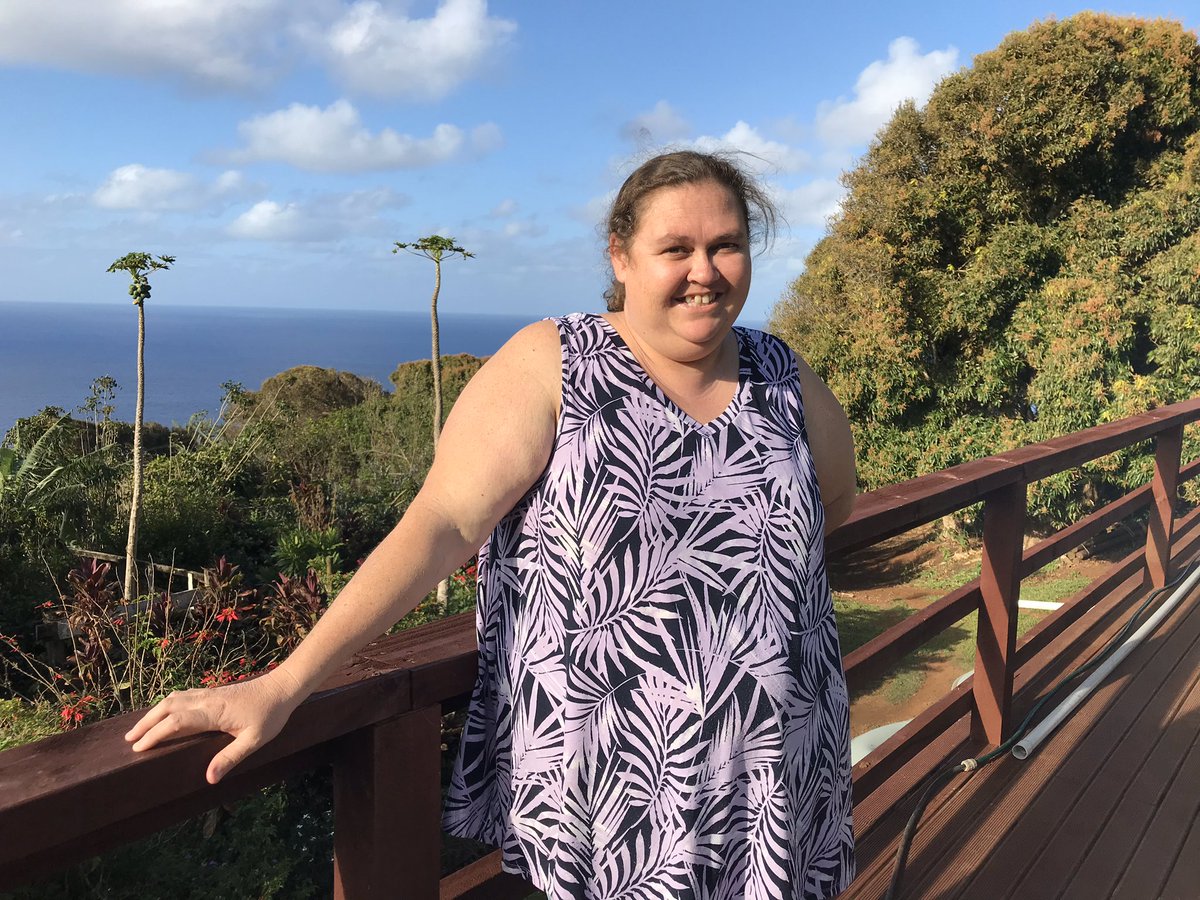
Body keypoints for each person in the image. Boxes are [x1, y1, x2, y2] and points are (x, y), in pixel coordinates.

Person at [125, 150, 857, 898]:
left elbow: (833, 501)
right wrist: (286, 683)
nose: (705, 271)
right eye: (676, 248)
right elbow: (442, 525)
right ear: (621, 256)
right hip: (616, 787)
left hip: (778, 768)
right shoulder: (558, 363)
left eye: (726, 245)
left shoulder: (780, 373)